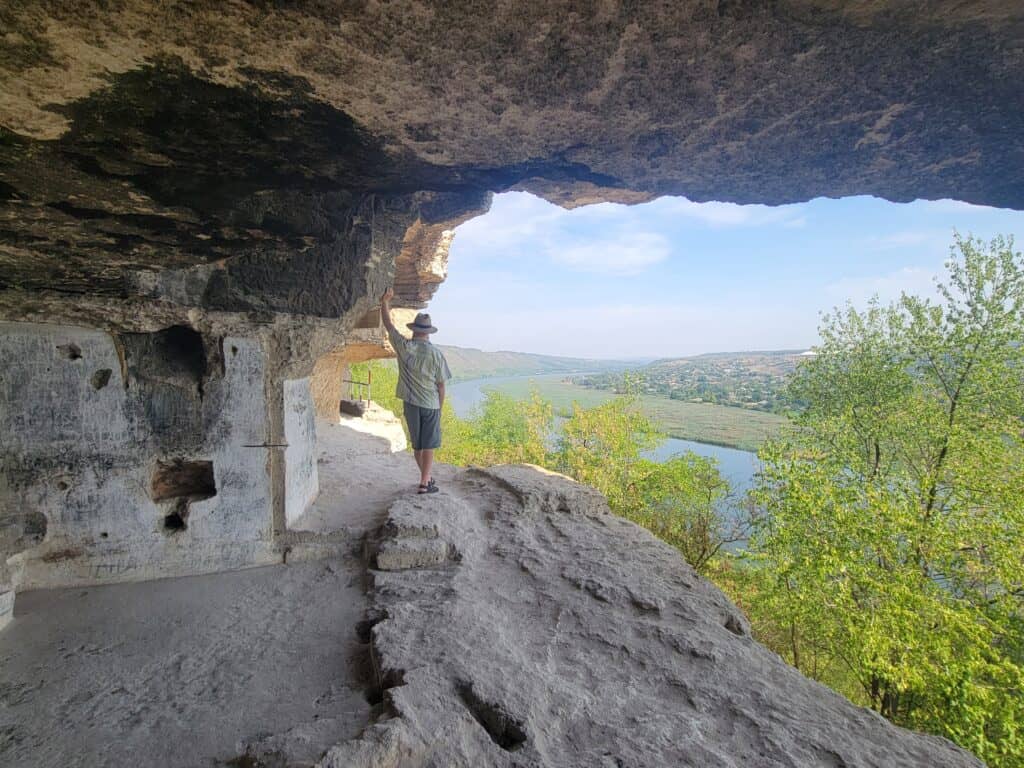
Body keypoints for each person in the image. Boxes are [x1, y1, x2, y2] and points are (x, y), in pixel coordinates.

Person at [380, 288, 452, 494]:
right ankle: (424, 482)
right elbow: (441, 385)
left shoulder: (404, 347)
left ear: (414, 330)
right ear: (428, 332)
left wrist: (384, 302)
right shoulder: (437, 355)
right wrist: (440, 407)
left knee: (418, 446)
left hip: (410, 403)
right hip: (430, 404)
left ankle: (426, 479)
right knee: (429, 445)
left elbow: (388, 325)